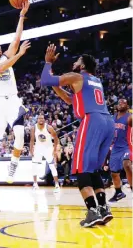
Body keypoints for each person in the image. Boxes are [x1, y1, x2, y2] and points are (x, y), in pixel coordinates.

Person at [42, 44, 114, 227]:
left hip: (92, 120)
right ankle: (103, 209)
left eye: (77, 61)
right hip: (107, 121)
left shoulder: (76, 76)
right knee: (93, 168)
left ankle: (92, 212)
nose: (74, 62)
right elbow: (69, 99)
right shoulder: (94, 80)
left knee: (81, 168)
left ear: (82, 66)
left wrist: (48, 63)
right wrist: (55, 85)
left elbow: (44, 79)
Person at [0, 2, 30, 196]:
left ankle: (14, 164)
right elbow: (1, 68)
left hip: (13, 100)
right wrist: (18, 55)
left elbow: (17, 39)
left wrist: (21, 16)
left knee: (20, 134)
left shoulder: (5, 57)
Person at [108, 99, 132, 202]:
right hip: (115, 148)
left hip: (127, 146)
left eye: (124, 103)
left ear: (127, 106)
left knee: (127, 164)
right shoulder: (113, 117)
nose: (121, 104)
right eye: (119, 103)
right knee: (114, 173)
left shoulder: (129, 117)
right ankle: (119, 192)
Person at [30, 114, 60, 192]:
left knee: (52, 166)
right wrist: (31, 149)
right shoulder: (34, 128)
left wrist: (54, 149)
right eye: (39, 118)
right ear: (37, 120)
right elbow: (32, 140)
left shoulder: (49, 127)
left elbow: (56, 138)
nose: (40, 119)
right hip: (38, 148)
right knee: (34, 165)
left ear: (44, 120)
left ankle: (57, 185)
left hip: (48, 148)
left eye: (42, 118)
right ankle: (35, 184)